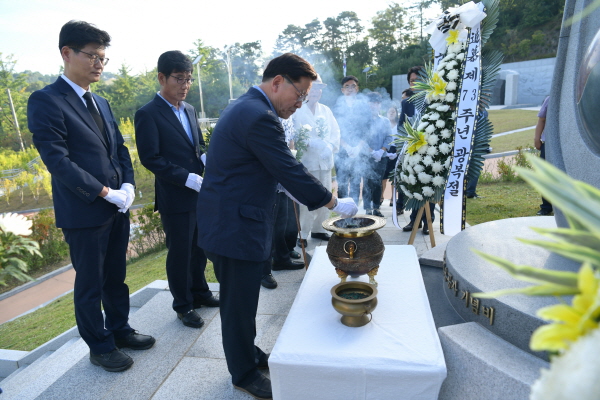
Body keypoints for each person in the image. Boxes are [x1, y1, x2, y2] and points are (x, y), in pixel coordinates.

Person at [196, 53, 358, 399]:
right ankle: (243, 373)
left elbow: (264, 167)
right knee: (237, 305)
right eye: (299, 95)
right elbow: (288, 168)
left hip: (231, 221)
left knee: (243, 300)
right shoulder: (258, 116)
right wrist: (333, 202)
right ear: (277, 82)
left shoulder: (250, 107)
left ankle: (247, 352)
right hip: (233, 227)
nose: (300, 104)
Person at [27, 20, 155, 373]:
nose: (99, 64)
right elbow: (58, 160)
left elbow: (120, 149)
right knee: (89, 284)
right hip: (85, 210)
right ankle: (99, 347)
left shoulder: (101, 101)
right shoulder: (46, 100)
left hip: (117, 207)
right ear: (66, 53)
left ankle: (119, 329)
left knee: (116, 276)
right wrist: (103, 192)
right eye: (92, 56)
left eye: (103, 58)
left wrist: (127, 186)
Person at [134, 51, 219, 329]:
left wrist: (205, 158)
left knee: (199, 248)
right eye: (179, 79)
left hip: (198, 193)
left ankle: (201, 292)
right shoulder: (148, 114)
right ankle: (183, 305)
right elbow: (151, 158)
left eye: (189, 79)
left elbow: (196, 146)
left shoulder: (190, 109)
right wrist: (187, 178)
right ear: (162, 78)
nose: (185, 85)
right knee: (180, 253)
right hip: (176, 195)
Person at [293, 74, 340, 242]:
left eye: (319, 89)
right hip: (307, 162)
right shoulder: (297, 109)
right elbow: (293, 134)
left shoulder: (326, 110)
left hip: (325, 162)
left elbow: (336, 132)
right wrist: (309, 142)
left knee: (326, 195)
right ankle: (303, 233)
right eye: (313, 89)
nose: (316, 92)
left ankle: (320, 228)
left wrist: (330, 146)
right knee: (307, 200)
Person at [263, 116, 304, 290]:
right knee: (273, 223)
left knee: (286, 219)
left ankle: (283, 254)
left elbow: (290, 140)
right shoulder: (265, 114)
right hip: (269, 176)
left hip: (284, 171)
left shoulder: (288, 116)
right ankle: (268, 268)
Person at [399, 66, 436, 234]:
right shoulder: (406, 103)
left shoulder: (435, 99)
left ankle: (429, 221)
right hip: (412, 150)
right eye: (412, 81)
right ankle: (415, 221)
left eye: (418, 80)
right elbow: (401, 126)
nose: (414, 83)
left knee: (430, 184)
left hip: (431, 150)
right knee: (414, 184)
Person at [333, 76, 370, 205]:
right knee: (342, 184)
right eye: (347, 86)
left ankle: (353, 212)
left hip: (358, 151)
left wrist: (358, 147)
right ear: (342, 90)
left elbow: (367, 129)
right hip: (342, 151)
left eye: (353, 86)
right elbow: (335, 129)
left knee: (355, 183)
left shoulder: (363, 107)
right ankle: (343, 213)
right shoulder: (336, 106)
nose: (350, 89)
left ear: (357, 88)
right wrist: (347, 146)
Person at [363, 92, 393, 217]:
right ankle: (367, 208)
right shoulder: (363, 120)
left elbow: (389, 137)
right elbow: (361, 139)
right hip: (366, 157)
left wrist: (381, 151)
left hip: (382, 156)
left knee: (378, 182)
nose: (374, 105)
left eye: (377, 103)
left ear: (380, 105)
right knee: (367, 182)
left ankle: (376, 207)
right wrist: (372, 152)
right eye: (372, 102)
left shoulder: (385, 121)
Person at [534, 96, 553, 215]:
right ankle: (546, 207)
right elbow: (542, 119)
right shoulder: (550, 99)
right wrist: (537, 138)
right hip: (550, 144)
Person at [383, 104, 400, 209]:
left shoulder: (400, 124)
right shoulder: (384, 123)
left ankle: (393, 198)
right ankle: (381, 196)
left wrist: (397, 152)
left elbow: (403, 138)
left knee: (395, 176)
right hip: (385, 150)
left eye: (394, 111)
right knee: (383, 176)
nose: (392, 113)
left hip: (396, 150)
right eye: (390, 111)